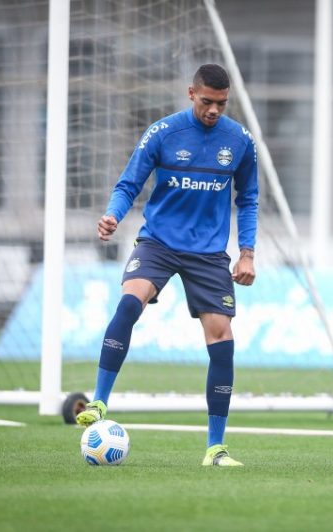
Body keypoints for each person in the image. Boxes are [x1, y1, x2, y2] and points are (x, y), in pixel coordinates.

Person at [76, 64, 258, 468]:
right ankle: (100, 401)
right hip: (158, 241)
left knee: (222, 338)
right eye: (207, 102)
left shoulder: (240, 141)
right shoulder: (162, 133)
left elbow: (248, 199)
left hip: (209, 253)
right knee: (128, 303)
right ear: (191, 92)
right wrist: (113, 215)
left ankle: (215, 447)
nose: (214, 110)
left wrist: (247, 252)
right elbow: (129, 184)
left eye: (222, 104)